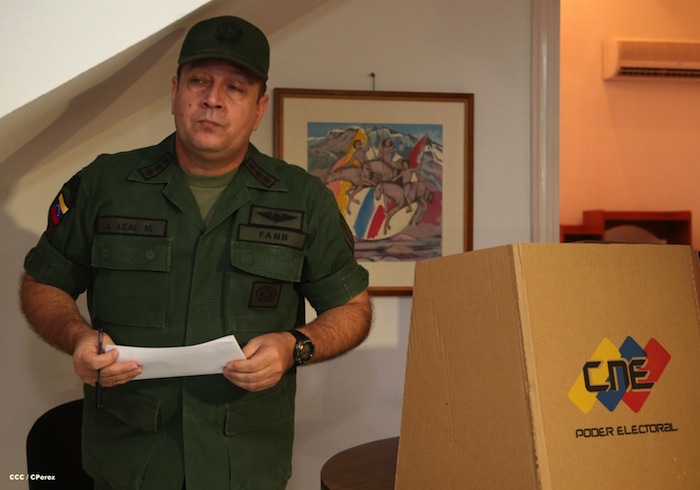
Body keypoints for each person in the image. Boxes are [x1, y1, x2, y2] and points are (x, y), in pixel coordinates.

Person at [19, 15, 372, 490]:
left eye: (235, 88)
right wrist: (77, 337)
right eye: (199, 81)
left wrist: (295, 346)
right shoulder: (105, 184)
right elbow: (43, 282)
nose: (212, 99)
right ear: (175, 92)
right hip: (130, 463)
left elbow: (352, 309)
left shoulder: (304, 199)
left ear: (259, 108)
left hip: (244, 466)